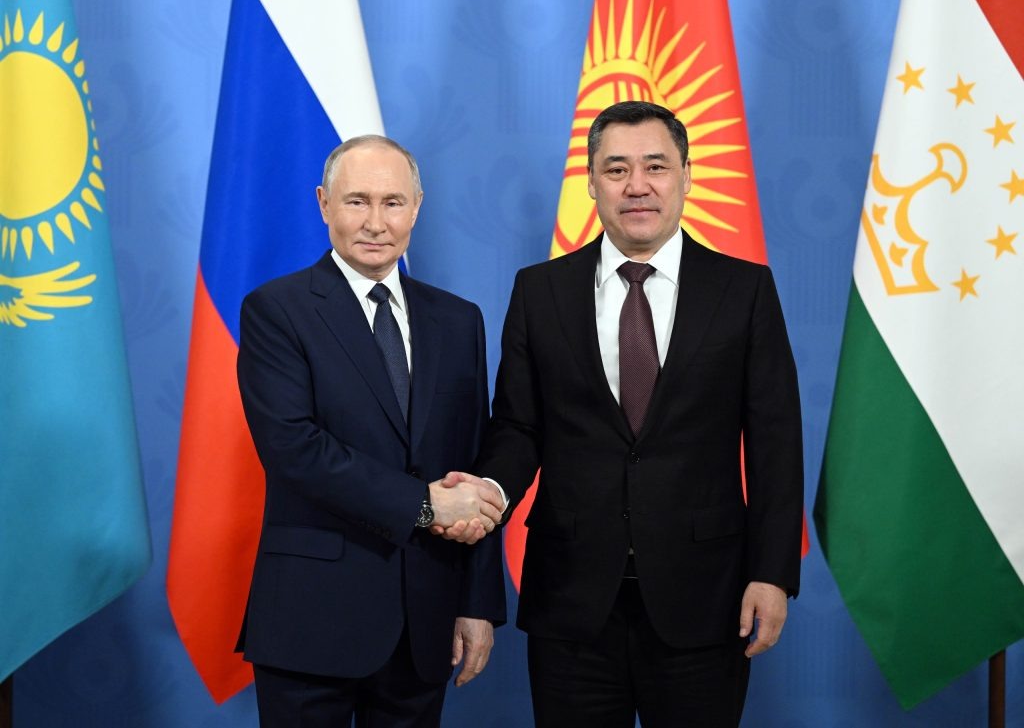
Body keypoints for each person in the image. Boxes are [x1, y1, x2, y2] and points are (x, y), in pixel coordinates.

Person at [443, 101, 803, 726]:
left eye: (655, 166)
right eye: (616, 169)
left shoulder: (744, 289)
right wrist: (490, 492)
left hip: (705, 598)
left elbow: (776, 442)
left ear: (686, 176)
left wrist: (772, 574)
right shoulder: (540, 290)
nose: (637, 185)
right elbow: (519, 426)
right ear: (591, 182)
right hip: (571, 601)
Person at [236, 135, 506, 728]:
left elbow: (475, 463)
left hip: (425, 621)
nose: (376, 223)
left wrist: (478, 603)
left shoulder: (458, 320)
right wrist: (423, 505)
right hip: (311, 620)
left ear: (417, 207)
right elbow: (293, 449)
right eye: (357, 201)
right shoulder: (276, 310)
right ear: (323, 204)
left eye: (393, 202)